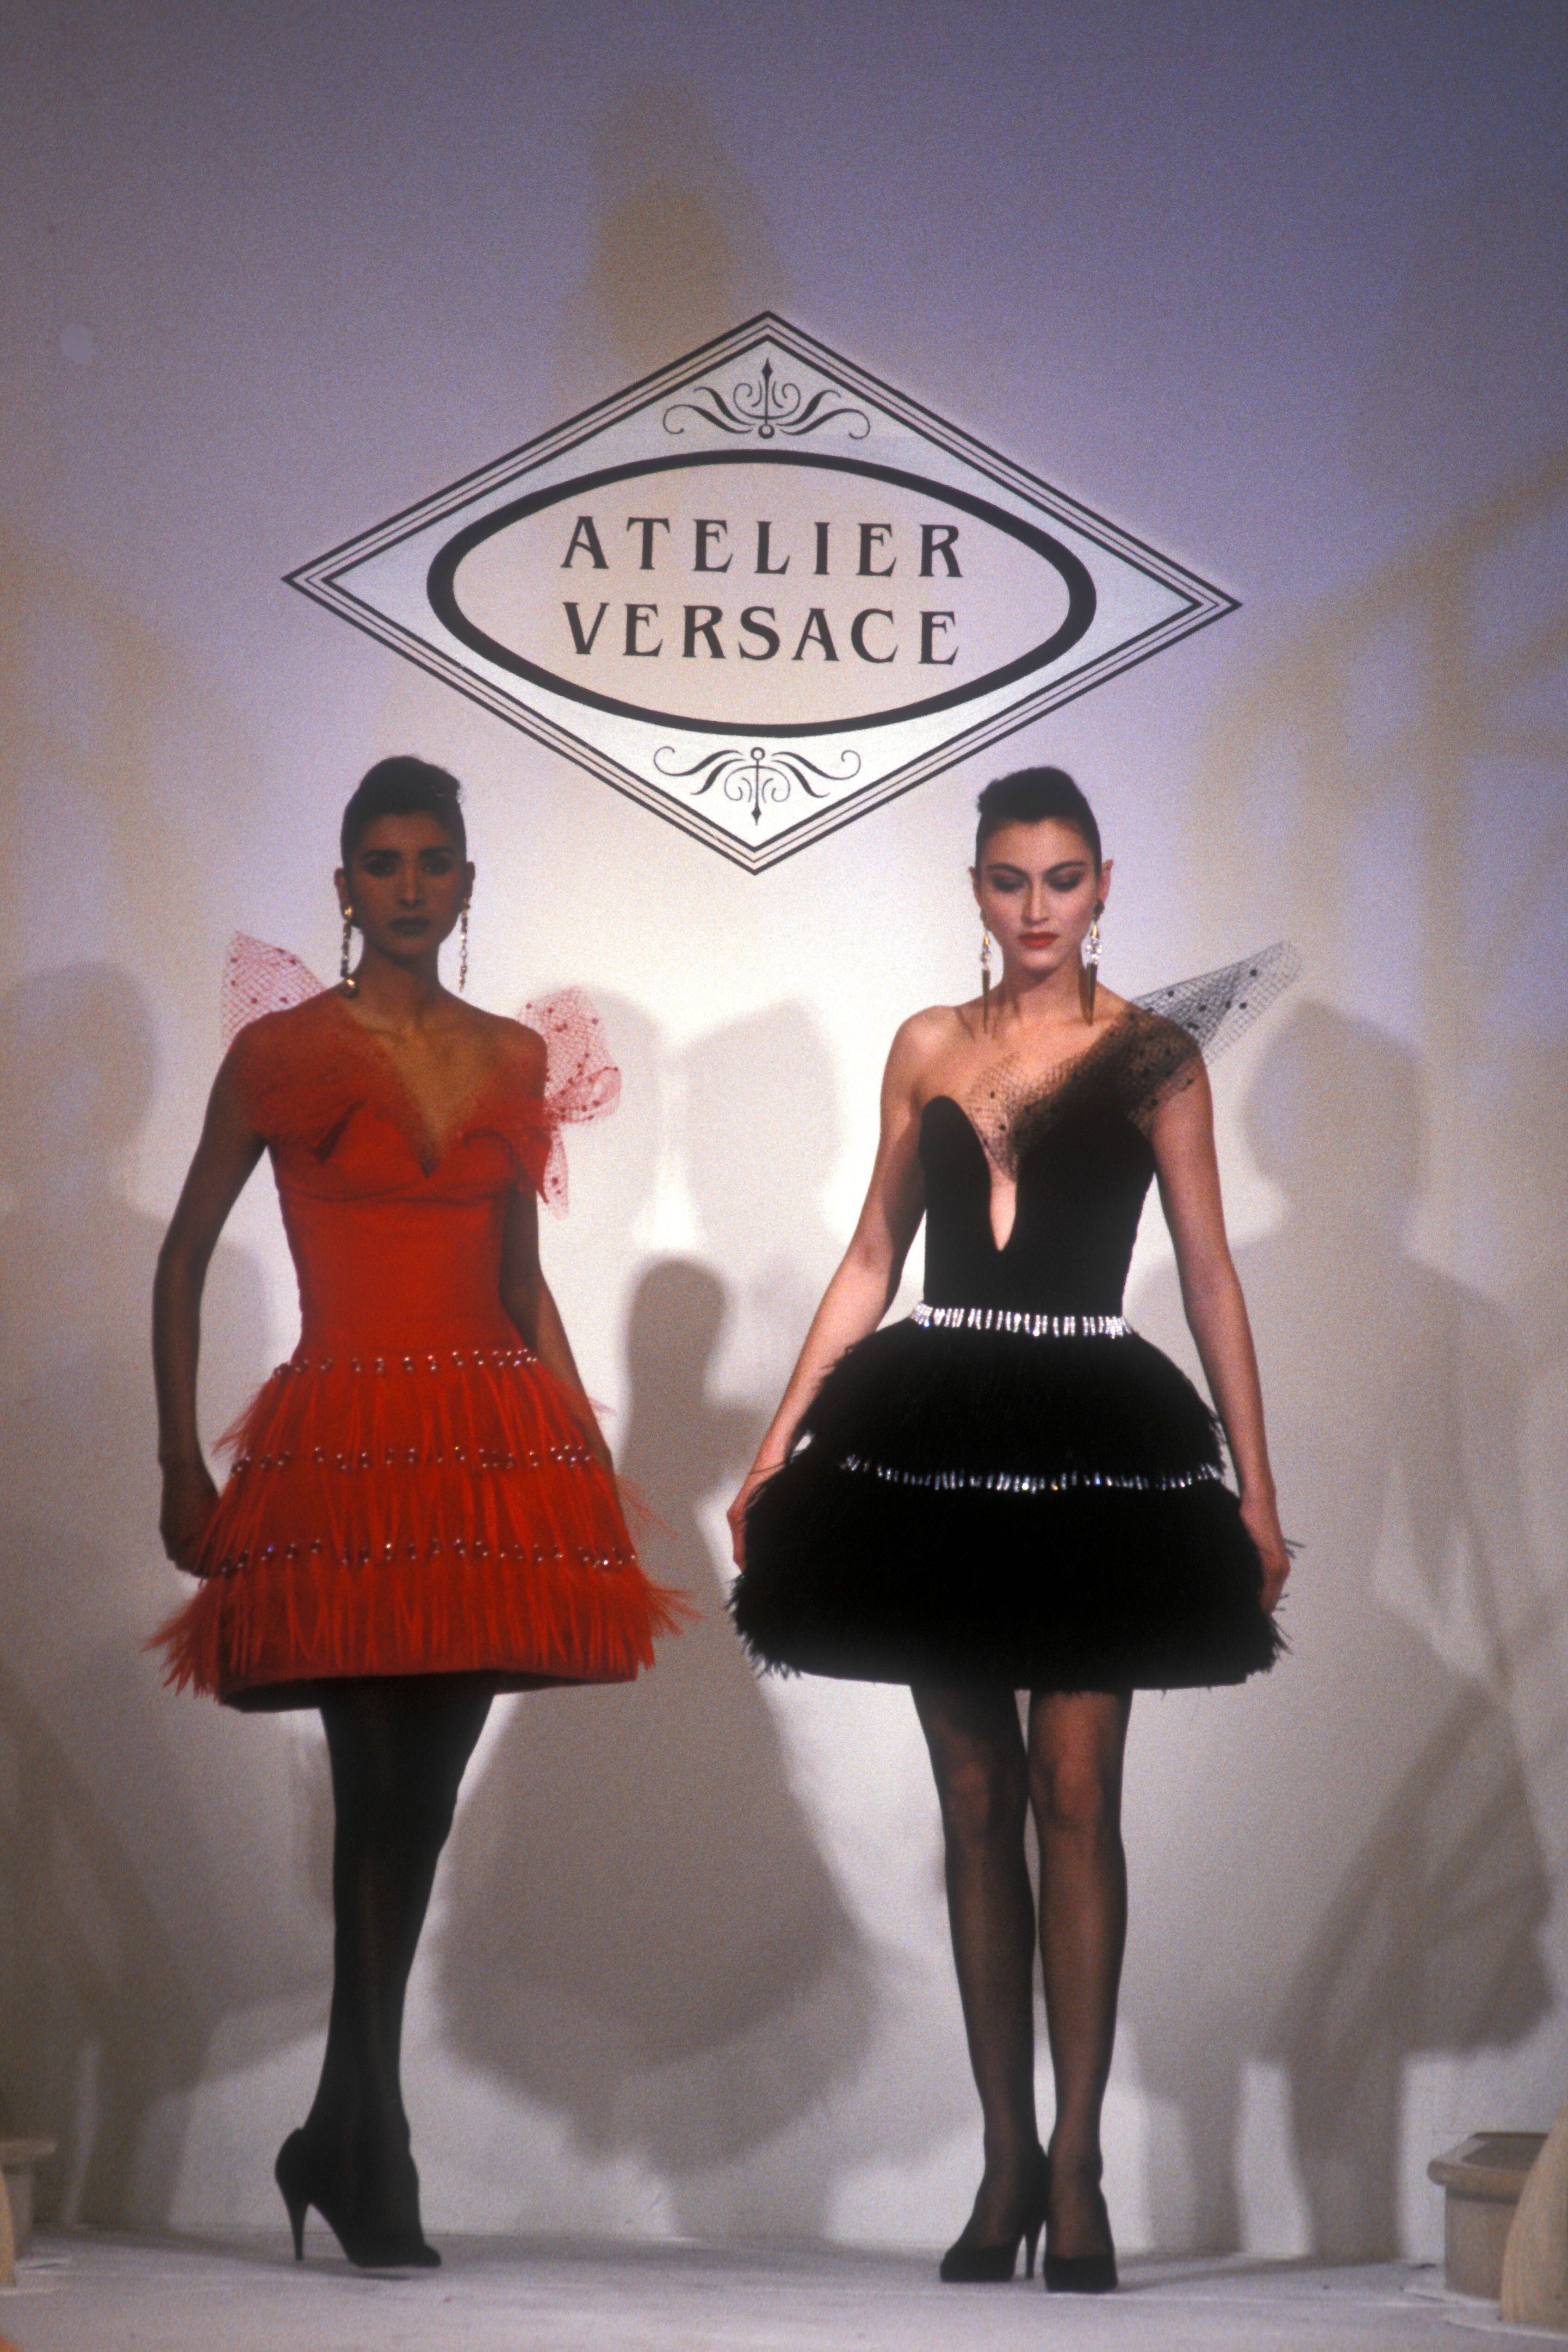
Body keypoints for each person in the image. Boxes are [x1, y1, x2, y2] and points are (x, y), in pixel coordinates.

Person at [727, 766, 1290, 2294]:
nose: (1036, 908)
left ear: (1105, 885)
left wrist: (1257, 1485)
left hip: (1094, 1442)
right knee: (974, 1796)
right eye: (1008, 879)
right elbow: (871, 1256)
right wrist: (775, 1448)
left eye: (1062, 879)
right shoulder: (927, 1043)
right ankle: (1002, 2160)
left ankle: (1080, 2164)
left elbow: (1210, 1272)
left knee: (1075, 1787)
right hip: (938, 1439)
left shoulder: (1156, 1056)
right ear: (975, 888)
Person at [152, 755, 680, 2268]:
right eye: (380, 862)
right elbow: (183, 1255)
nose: (406, 885)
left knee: (422, 1794)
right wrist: (180, 1459)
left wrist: (580, 1457)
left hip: (484, 1451)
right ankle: (367, 2139)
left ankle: (348, 2131)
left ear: (464, 883)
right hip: (345, 1448)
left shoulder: (512, 1057)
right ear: (343, 887)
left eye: (431, 860)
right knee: (376, 1776)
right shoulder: (280, 1053)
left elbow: (521, 1280)